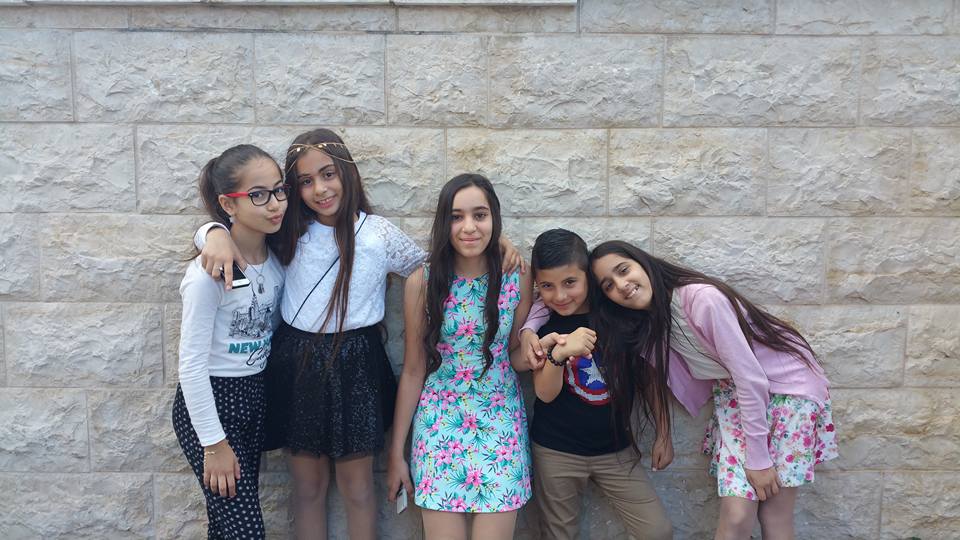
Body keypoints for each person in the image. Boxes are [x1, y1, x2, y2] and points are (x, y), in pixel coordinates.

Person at [194, 130, 523, 539]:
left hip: (357, 364)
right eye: (306, 181)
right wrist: (212, 232)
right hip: (298, 364)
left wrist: (497, 240)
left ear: (347, 172)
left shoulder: (377, 233)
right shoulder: (287, 231)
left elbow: (434, 265)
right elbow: (242, 227)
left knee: (358, 488)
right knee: (308, 488)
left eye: (328, 174)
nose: (320, 189)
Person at [589, 240, 838, 540]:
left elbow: (751, 377)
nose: (621, 285)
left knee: (774, 512)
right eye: (608, 285)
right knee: (737, 515)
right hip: (735, 393)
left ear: (643, 263)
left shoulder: (702, 300)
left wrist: (759, 459)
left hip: (790, 392)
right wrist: (663, 434)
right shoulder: (647, 322)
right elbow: (654, 376)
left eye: (623, 270)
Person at [386, 174, 534, 540]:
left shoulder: (517, 276)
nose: (469, 227)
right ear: (444, 222)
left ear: (494, 219)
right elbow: (413, 370)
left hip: (500, 424)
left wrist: (541, 350)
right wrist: (396, 453)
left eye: (479, 215)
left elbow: (514, 354)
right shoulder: (423, 281)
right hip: (439, 425)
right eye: (456, 217)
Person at [518, 229, 672, 540]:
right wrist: (559, 353)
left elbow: (650, 379)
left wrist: (664, 433)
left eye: (570, 282)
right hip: (556, 451)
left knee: (657, 531)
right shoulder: (546, 326)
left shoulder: (620, 315)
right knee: (558, 534)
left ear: (587, 275)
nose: (560, 296)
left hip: (616, 450)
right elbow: (545, 394)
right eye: (547, 286)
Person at [172, 144, 288, 539]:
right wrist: (213, 444)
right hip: (211, 404)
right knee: (247, 531)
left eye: (279, 190)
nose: (274, 204)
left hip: (253, 398)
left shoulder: (276, 261)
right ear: (228, 204)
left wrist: (212, 231)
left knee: (226, 527)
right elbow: (191, 365)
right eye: (258, 195)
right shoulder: (210, 273)